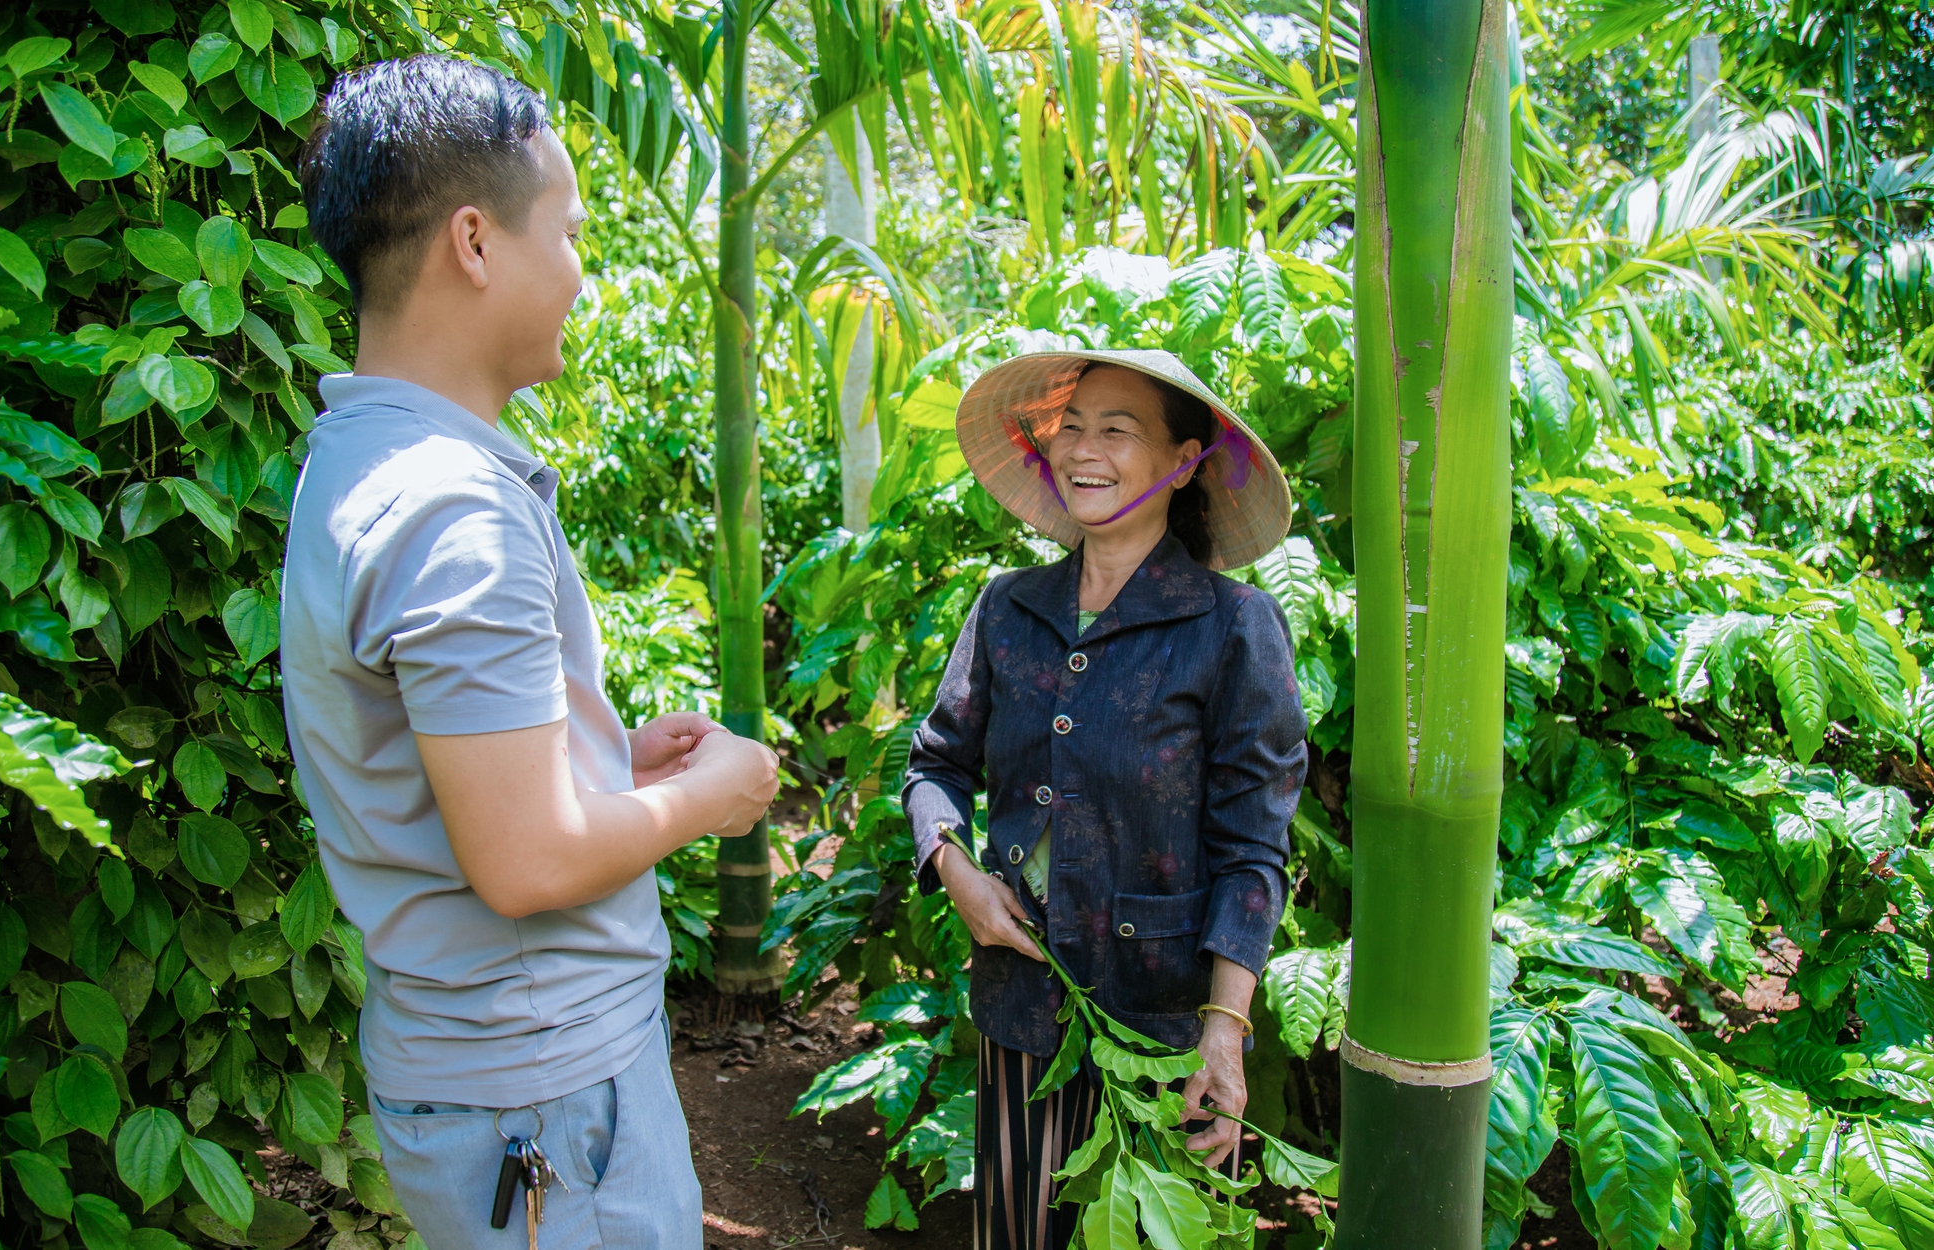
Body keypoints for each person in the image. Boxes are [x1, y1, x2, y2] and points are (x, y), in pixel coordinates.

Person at [282, 57, 779, 1250]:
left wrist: (612, 770)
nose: (578, 271)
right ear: (473, 241)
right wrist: (711, 798)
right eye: (564, 231)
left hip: (490, 1067)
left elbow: (456, 786)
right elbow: (523, 859)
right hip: (542, 1091)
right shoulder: (457, 510)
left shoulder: (361, 456)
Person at [903, 350, 1308, 1250]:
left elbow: (1253, 850)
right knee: (1020, 1232)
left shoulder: (1232, 626)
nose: (1086, 447)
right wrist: (955, 868)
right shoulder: (1009, 610)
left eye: (1118, 429)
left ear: (1184, 461)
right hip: (1023, 1008)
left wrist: (1225, 1034)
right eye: (1072, 427)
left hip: (1164, 1032)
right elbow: (933, 764)